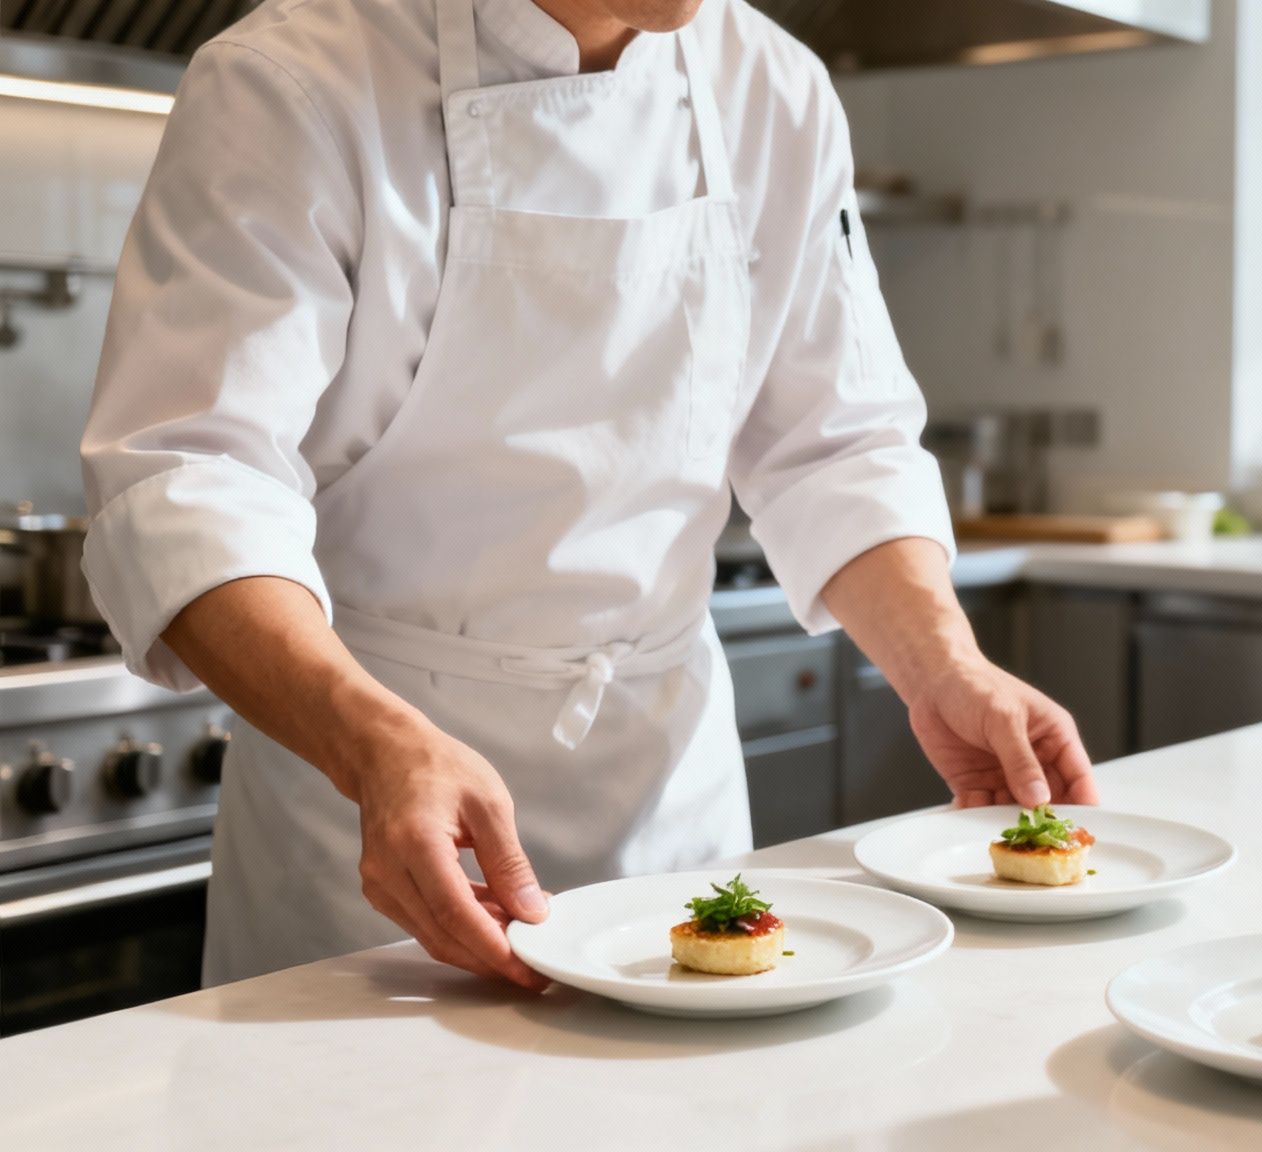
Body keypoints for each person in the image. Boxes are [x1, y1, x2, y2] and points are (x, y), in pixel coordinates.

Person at [79, 0, 1096, 992]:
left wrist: (942, 665)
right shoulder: (292, 81)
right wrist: (373, 747)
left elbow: (836, 443)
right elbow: (191, 478)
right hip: (367, 812)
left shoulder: (772, 87)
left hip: (666, 811)